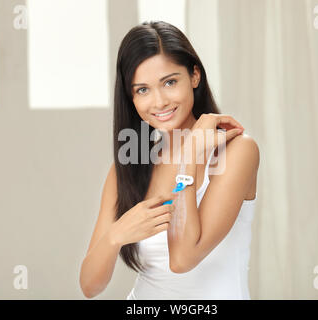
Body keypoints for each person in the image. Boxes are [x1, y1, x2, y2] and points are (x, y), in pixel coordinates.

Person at [79, 21, 260, 300]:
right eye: (142, 90)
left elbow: (183, 258)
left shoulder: (237, 151)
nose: (159, 101)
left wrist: (189, 157)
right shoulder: (128, 168)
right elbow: (90, 286)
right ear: (131, 97)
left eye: (170, 82)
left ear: (195, 76)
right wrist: (116, 235)